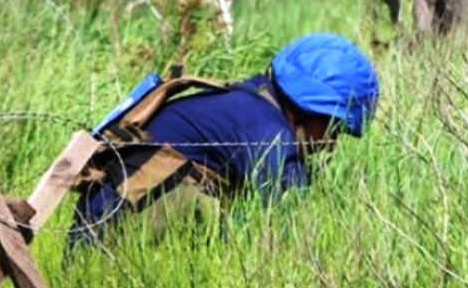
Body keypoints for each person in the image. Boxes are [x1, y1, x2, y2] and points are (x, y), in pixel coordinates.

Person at [69, 33, 379, 245]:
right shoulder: (268, 135)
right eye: (333, 130)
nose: (331, 145)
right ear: (309, 110)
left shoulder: (249, 105)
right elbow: (290, 234)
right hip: (114, 241)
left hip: (105, 226)